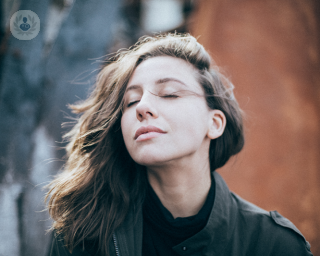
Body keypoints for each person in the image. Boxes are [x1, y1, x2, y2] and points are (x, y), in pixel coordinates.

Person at [46, 33, 313, 256]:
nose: (143, 107)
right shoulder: (80, 234)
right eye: (131, 101)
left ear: (215, 123)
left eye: (169, 93)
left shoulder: (273, 245)